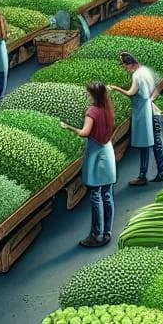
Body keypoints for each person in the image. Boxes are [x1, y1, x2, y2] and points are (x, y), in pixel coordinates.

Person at [60, 82, 117, 248]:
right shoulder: (107, 109)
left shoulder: (92, 111)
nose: (86, 95)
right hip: (107, 151)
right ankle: (107, 232)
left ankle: (95, 235)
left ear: (94, 95)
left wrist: (68, 127)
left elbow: (85, 133)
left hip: (96, 154)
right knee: (107, 194)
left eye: (88, 93)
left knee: (95, 195)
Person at [111, 53, 163, 186]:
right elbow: (156, 89)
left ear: (130, 63)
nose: (124, 67)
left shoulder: (137, 75)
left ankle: (155, 174)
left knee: (149, 145)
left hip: (147, 114)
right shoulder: (145, 70)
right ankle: (154, 174)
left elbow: (131, 93)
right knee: (152, 144)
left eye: (124, 64)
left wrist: (115, 88)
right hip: (152, 110)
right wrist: (150, 99)